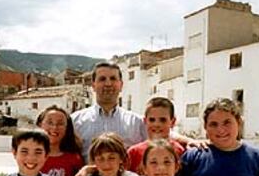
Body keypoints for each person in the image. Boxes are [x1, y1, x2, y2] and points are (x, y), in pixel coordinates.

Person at [71, 62, 204, 161]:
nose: (108, 84)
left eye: (113, 79)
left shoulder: (136, 121)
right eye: (102, 79)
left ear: (121, 85)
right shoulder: (75, 121)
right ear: (93, 85)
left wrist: (191, 141)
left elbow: (162, 132)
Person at [127, 97, 185, 174]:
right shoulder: (133, 153)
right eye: (152, 120)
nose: (156, 124)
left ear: (172, 122)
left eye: (163, 120)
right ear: (145, 121)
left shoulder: (180, 151)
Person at [37, 105, 84, 176]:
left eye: (60, 123)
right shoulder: (30, 157)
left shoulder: (74, 158)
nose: (54, 127)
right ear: (40, 124)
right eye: (50, 122)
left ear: (67, 128)